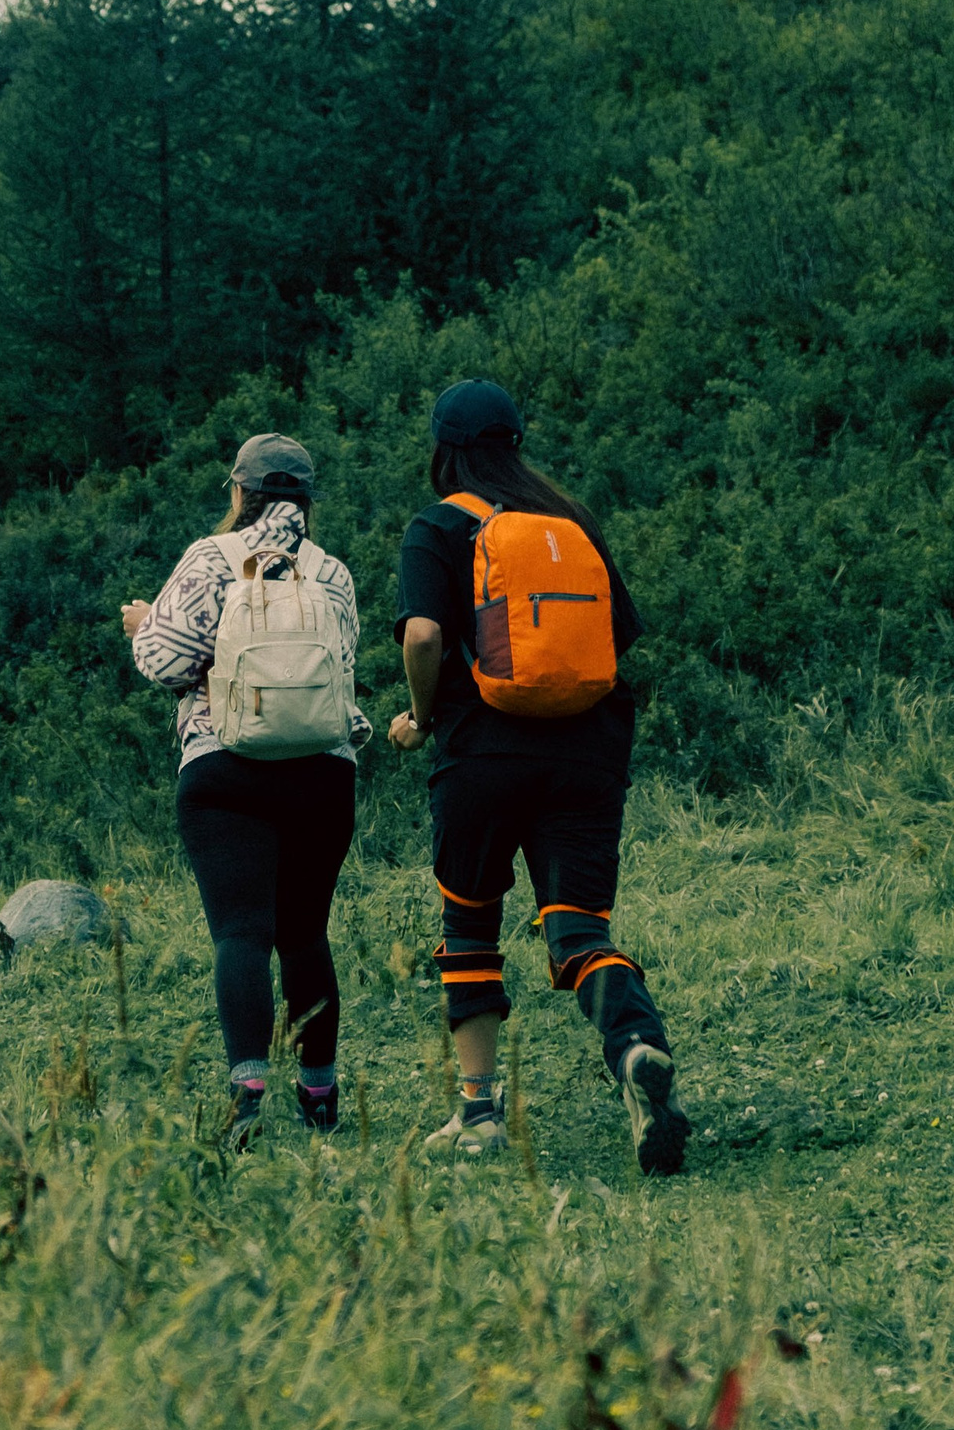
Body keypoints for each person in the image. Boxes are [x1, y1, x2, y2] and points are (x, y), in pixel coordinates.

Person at [387, 379, 688, 1173]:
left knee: (469, 926)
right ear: (516, 443)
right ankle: (634, 1046)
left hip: (481, 754)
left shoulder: (437, 525)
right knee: (580, 931)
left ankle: (479, 1115)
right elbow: (616, 639)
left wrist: (421, 715)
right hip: (587, 751)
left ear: (443, 449)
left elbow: (423, 636)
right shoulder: (569, 521)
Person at [122, 432, 369, 1146]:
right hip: (322, 769)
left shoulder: (212, 558)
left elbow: (165, 663)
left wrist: (143, 624)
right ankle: (319, 1093)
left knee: (241, 932)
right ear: (307, 501)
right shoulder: (331, 572)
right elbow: (342, 662)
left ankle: (247, 1093)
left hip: (225, 766)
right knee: (305, 933)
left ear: (240, 492)